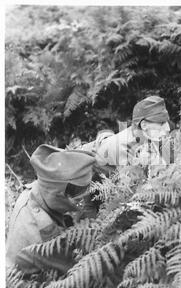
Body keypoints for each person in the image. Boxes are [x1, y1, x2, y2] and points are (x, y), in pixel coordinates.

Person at [6, 144, 96, 274]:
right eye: (77, 194)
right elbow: (74, 275)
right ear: (58, 193)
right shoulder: (41, 226)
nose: (81, 200)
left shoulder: (41, 188)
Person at [80, 95, 171, 171]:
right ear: (144, 125)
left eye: (166, 122)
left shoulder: (147, 137)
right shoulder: (124, 148)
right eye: (161, 123)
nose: (167, 128)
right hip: (75, 172)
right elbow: (134, 188)